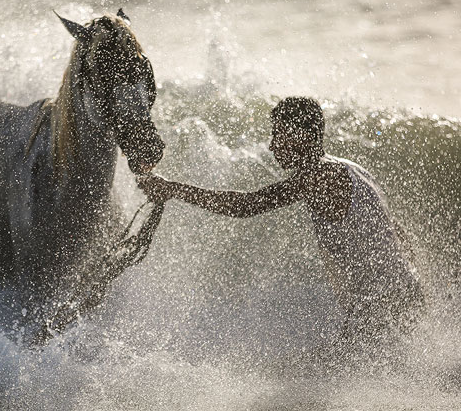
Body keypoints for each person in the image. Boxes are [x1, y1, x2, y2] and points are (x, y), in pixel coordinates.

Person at [137, 96, 423, 342]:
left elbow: (246, 205)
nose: (273, 147)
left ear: (302, 136)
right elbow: (399, 234)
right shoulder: (350, 168)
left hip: (385, 305)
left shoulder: (319, 174)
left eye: (278, 136)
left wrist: (173, 188)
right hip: (399, 299)